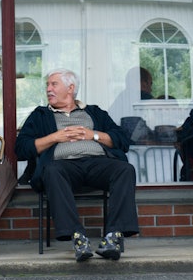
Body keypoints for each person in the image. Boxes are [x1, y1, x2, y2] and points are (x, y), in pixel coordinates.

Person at [15, 68, 139, 262]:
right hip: (63, 166)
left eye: (53, 84)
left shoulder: (94, 112)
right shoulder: (40, 115)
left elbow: (122, 140)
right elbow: (21, 148)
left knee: (125, 169)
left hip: (97, 163)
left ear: (70, 88)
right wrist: (55, 137)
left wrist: (93, 135)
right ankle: (78, 237)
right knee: (52, 171)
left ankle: (113, 237)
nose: (48, 89)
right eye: (47, 85)